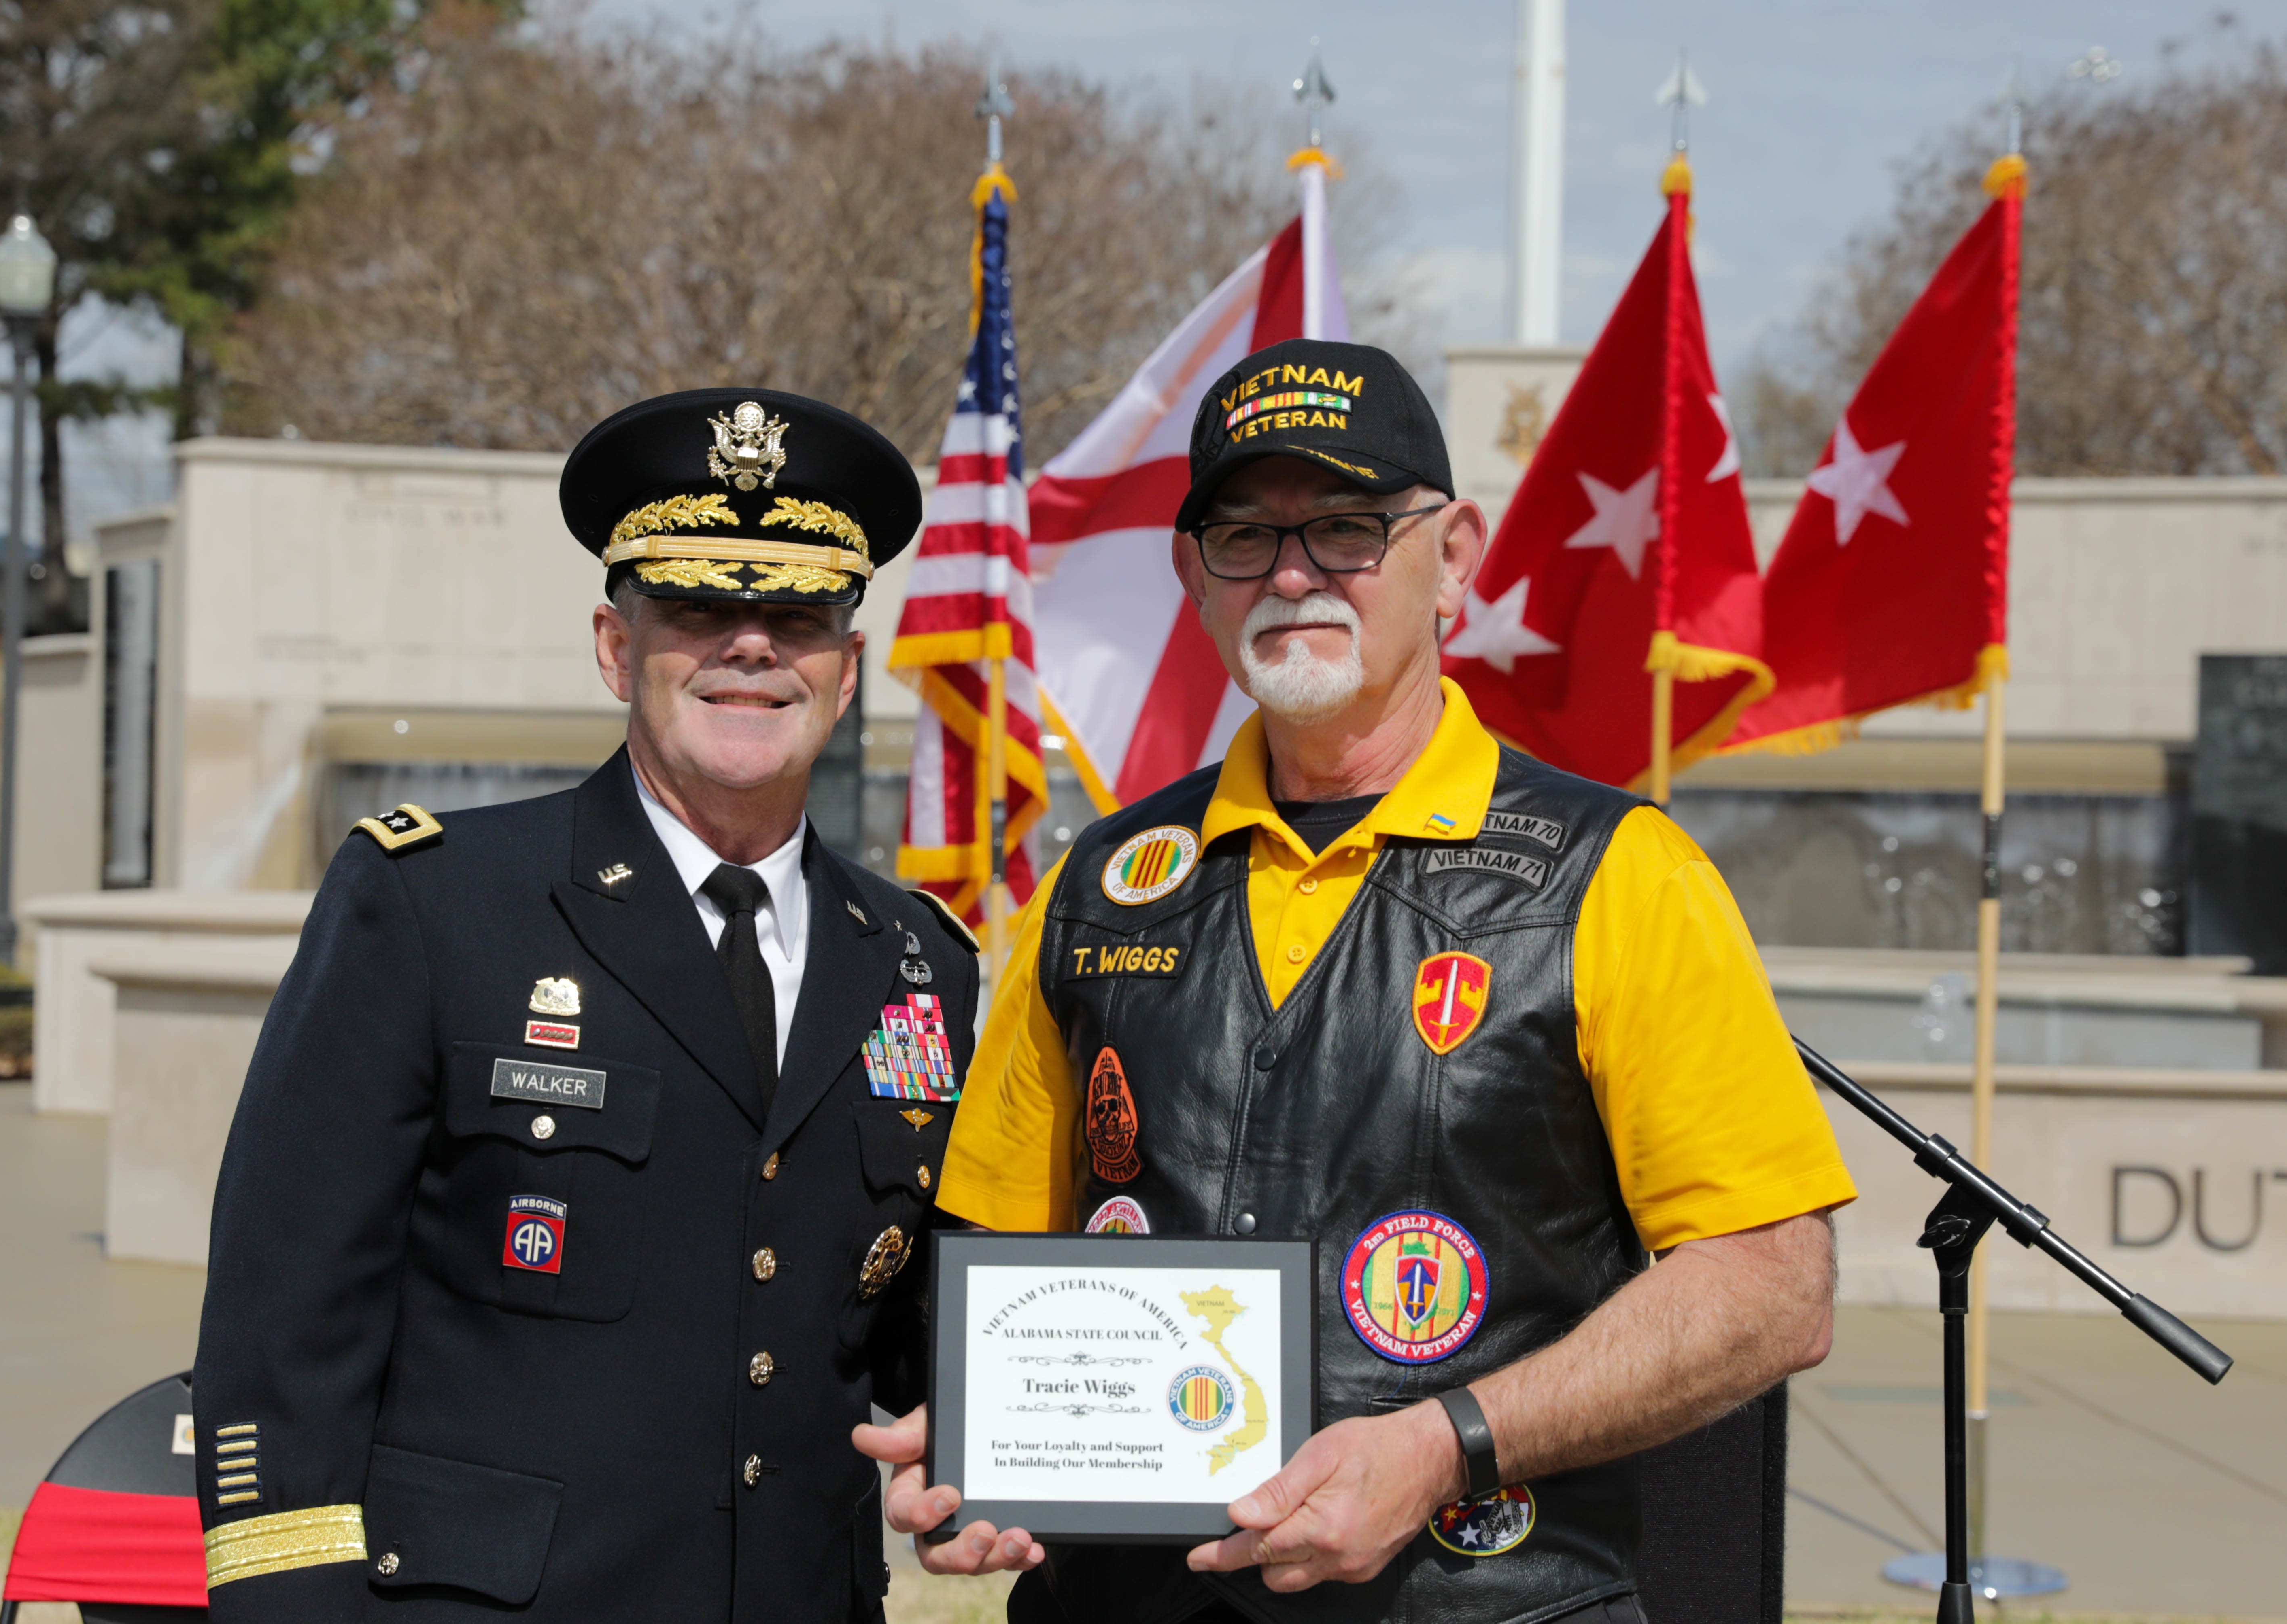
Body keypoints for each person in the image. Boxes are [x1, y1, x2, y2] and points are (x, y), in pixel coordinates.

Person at [860, 339, 1856, 1624]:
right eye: (1243, 536)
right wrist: (988, 1441)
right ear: (1193, 577)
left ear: (1456, 560)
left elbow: (1774, 1285)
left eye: (1348, 528)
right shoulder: (1095, 888)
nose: (1291, 575)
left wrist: (1445, 1444)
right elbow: (997, 1245)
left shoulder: (1623, 877)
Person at [193, 388, 983, 1622]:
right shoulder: (436, 905)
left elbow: (911, 1318)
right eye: (701, 607)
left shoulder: (919, 961)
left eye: (797, 614)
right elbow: (283, 1322)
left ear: (848, 666)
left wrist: (1002, 1435)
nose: (752, 646)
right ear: (617, 647)